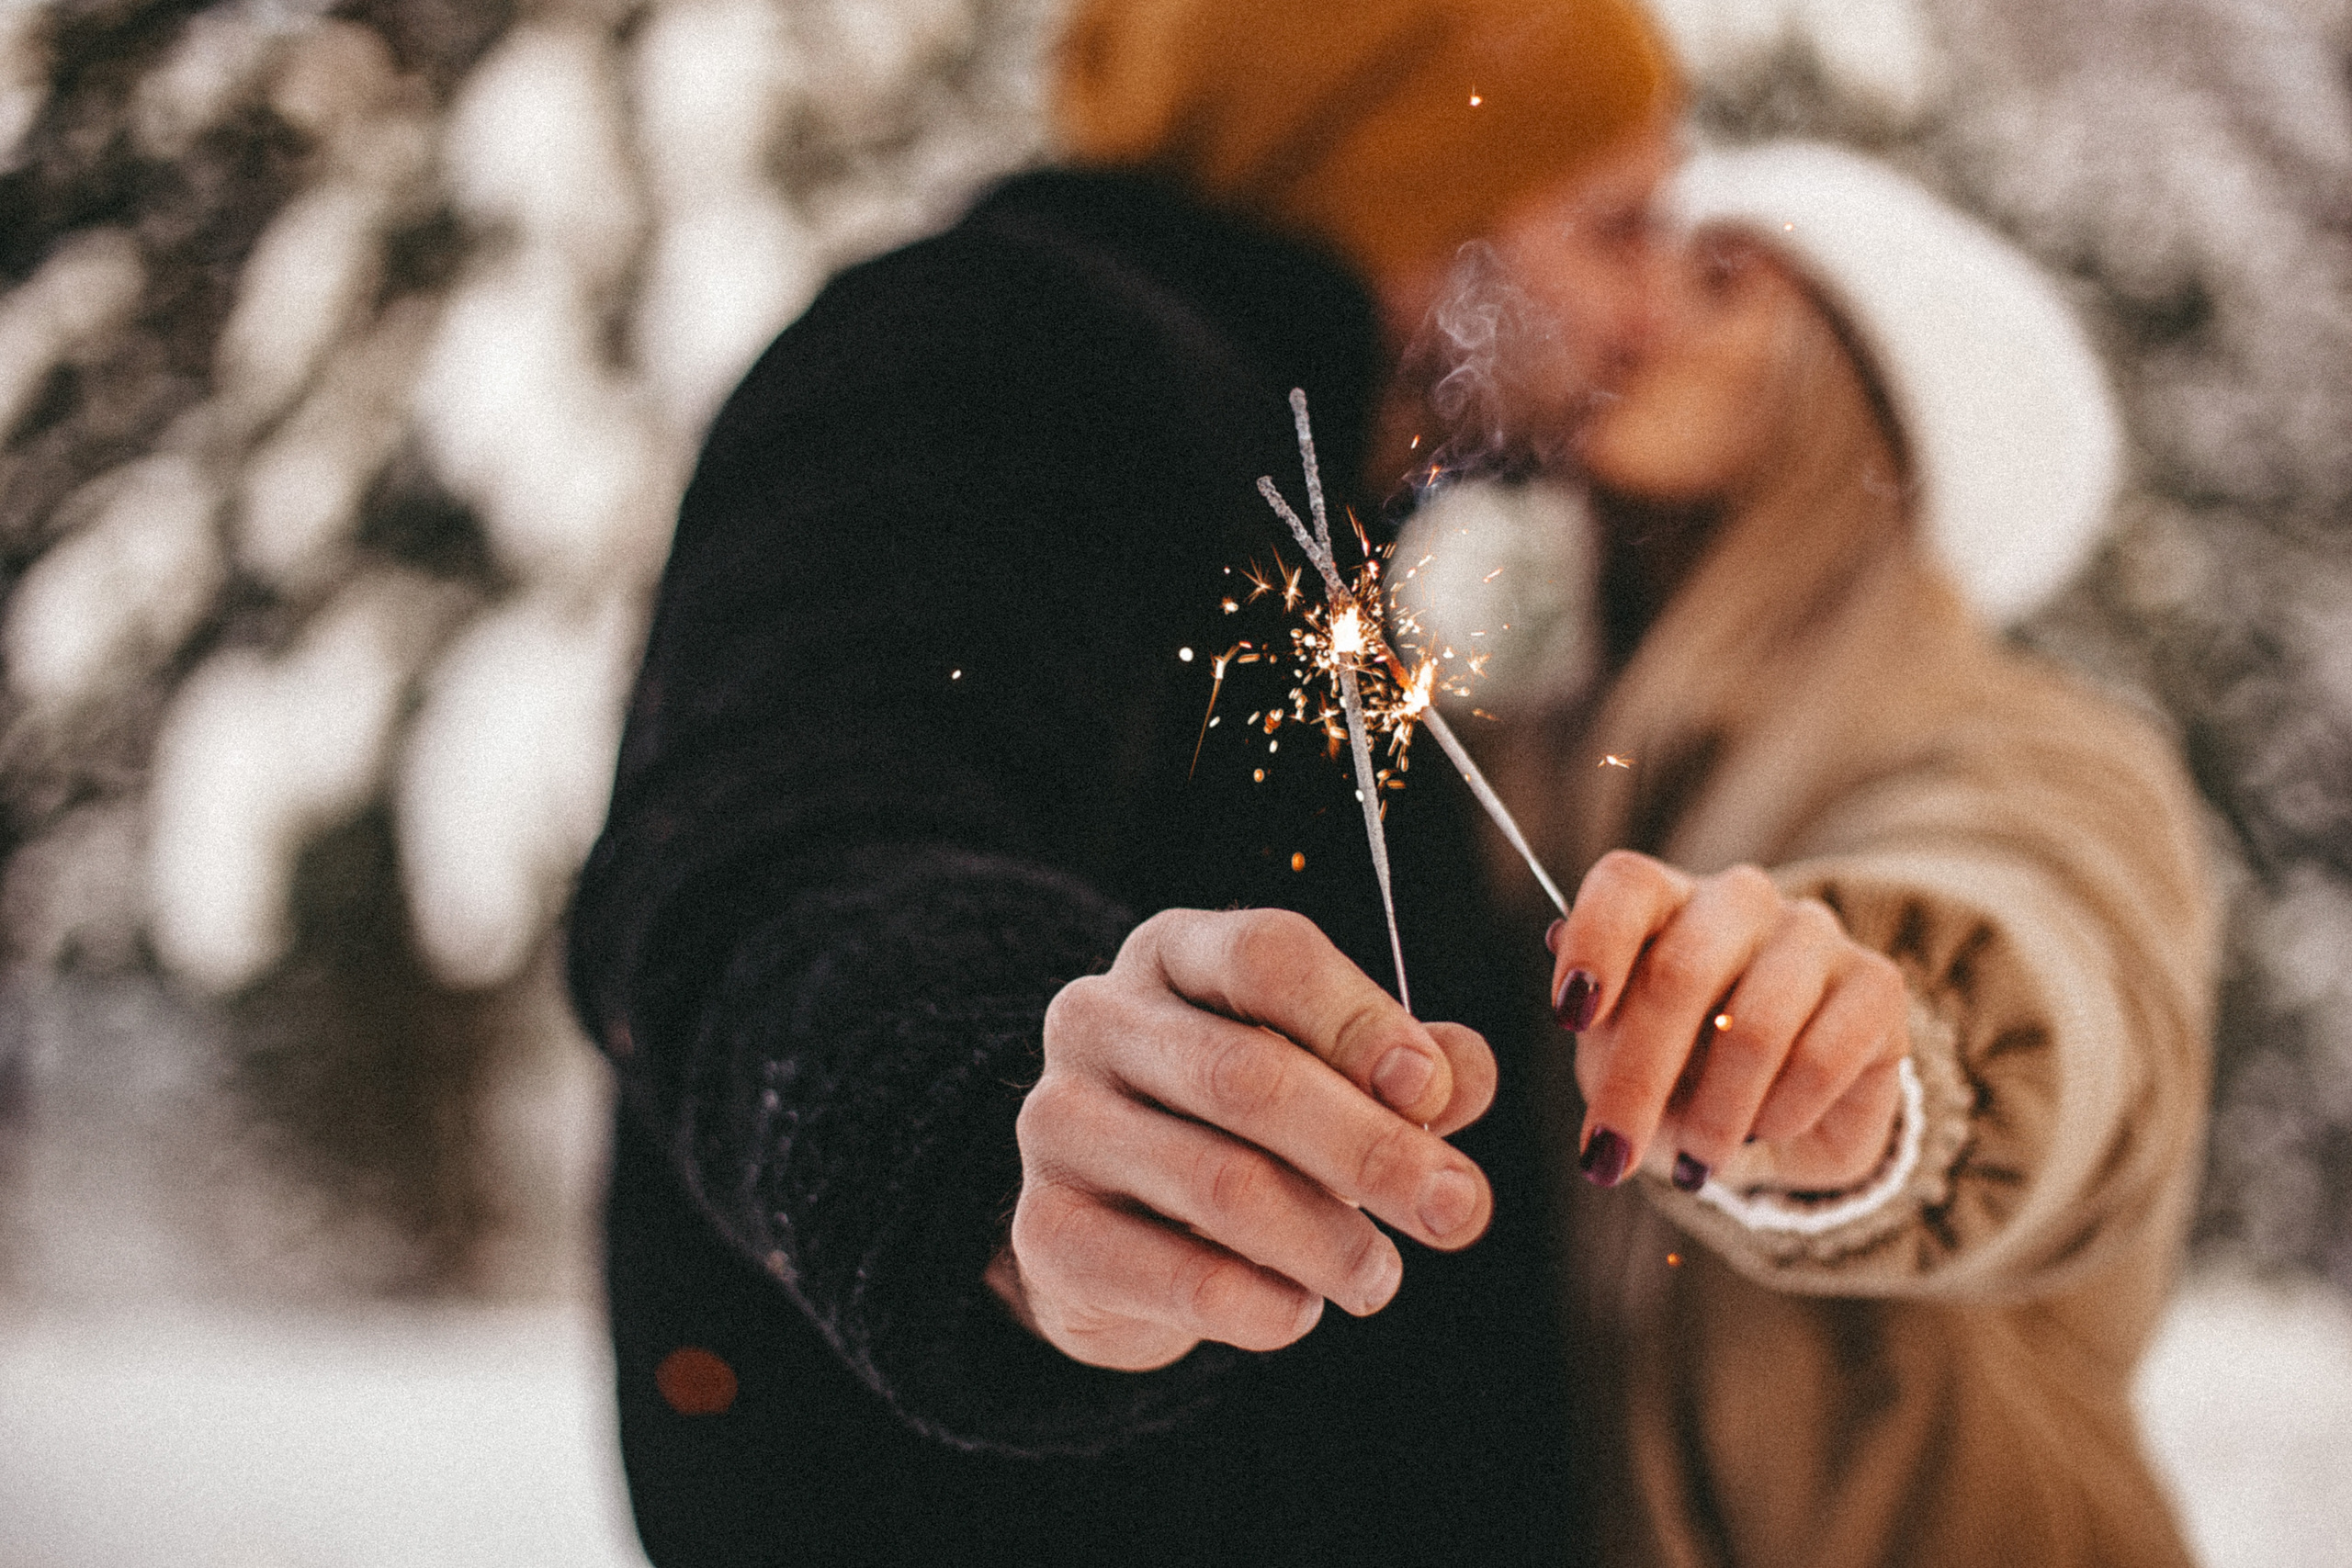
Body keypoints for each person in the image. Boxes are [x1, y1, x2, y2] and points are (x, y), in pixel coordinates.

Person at [567, 1, 1685, 1562]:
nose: (1651, 316)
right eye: (1617, 225)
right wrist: (988, 1131)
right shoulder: (996, 353)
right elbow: (779, 835)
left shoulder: (1256, 451)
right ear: (1412, 180)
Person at [1402, 141, 2213, 1565]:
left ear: (1867, 395)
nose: (1631, 307)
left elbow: (2058, 953)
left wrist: (1889, 1062)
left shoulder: (2030, 742)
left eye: (1720, 276)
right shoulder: (1549, 762)